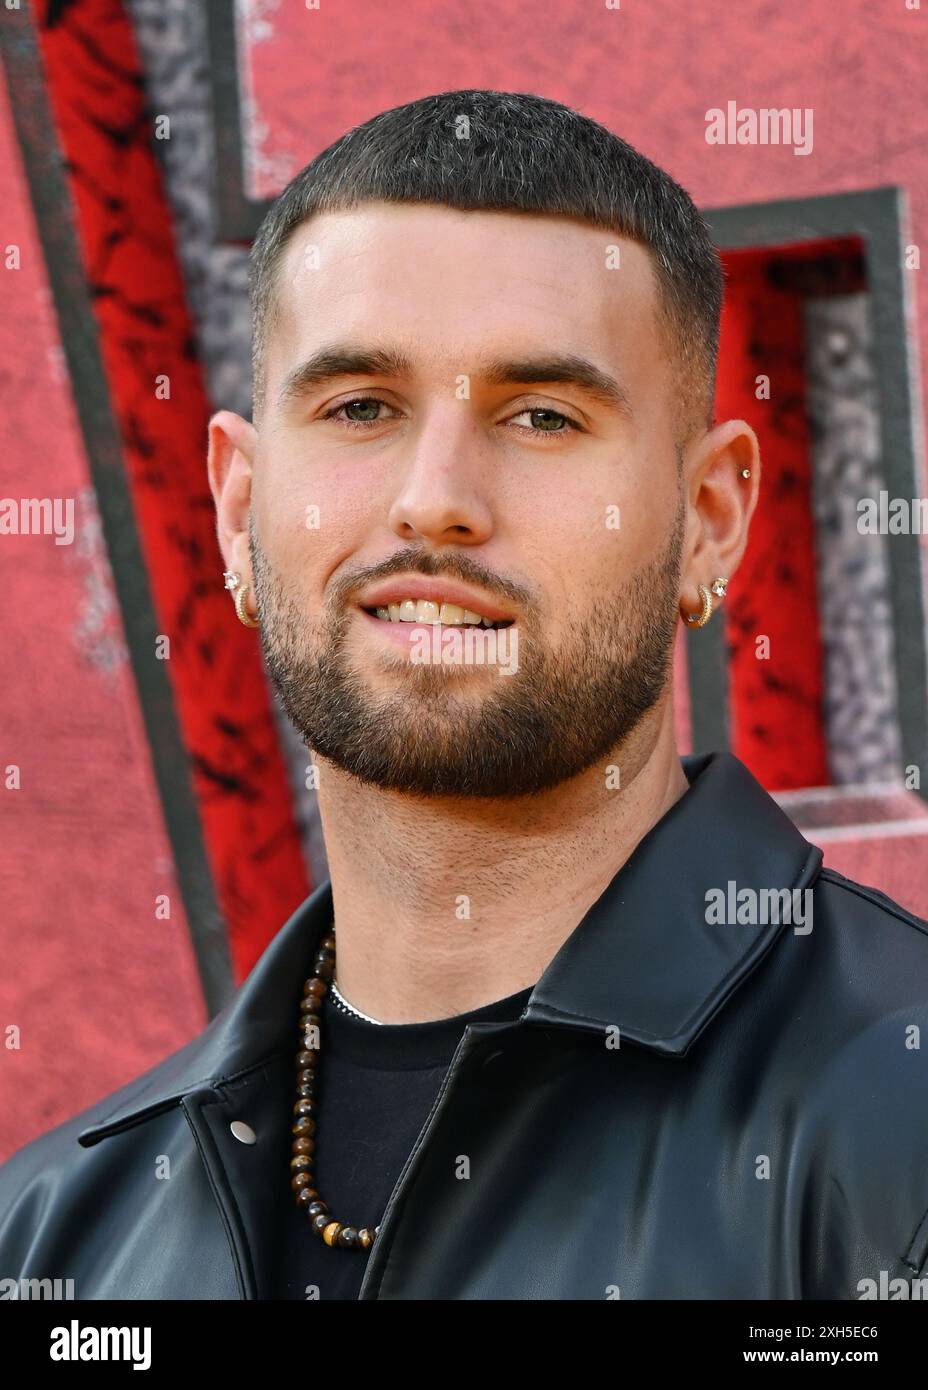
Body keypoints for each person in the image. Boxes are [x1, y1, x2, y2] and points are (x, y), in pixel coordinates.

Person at [1, 88, 927, 1302]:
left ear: (708, 522)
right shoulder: (53, 1236)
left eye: (541, 414)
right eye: (361, 408)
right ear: (237, 509)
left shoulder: (898, 1124)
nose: (434, 498)